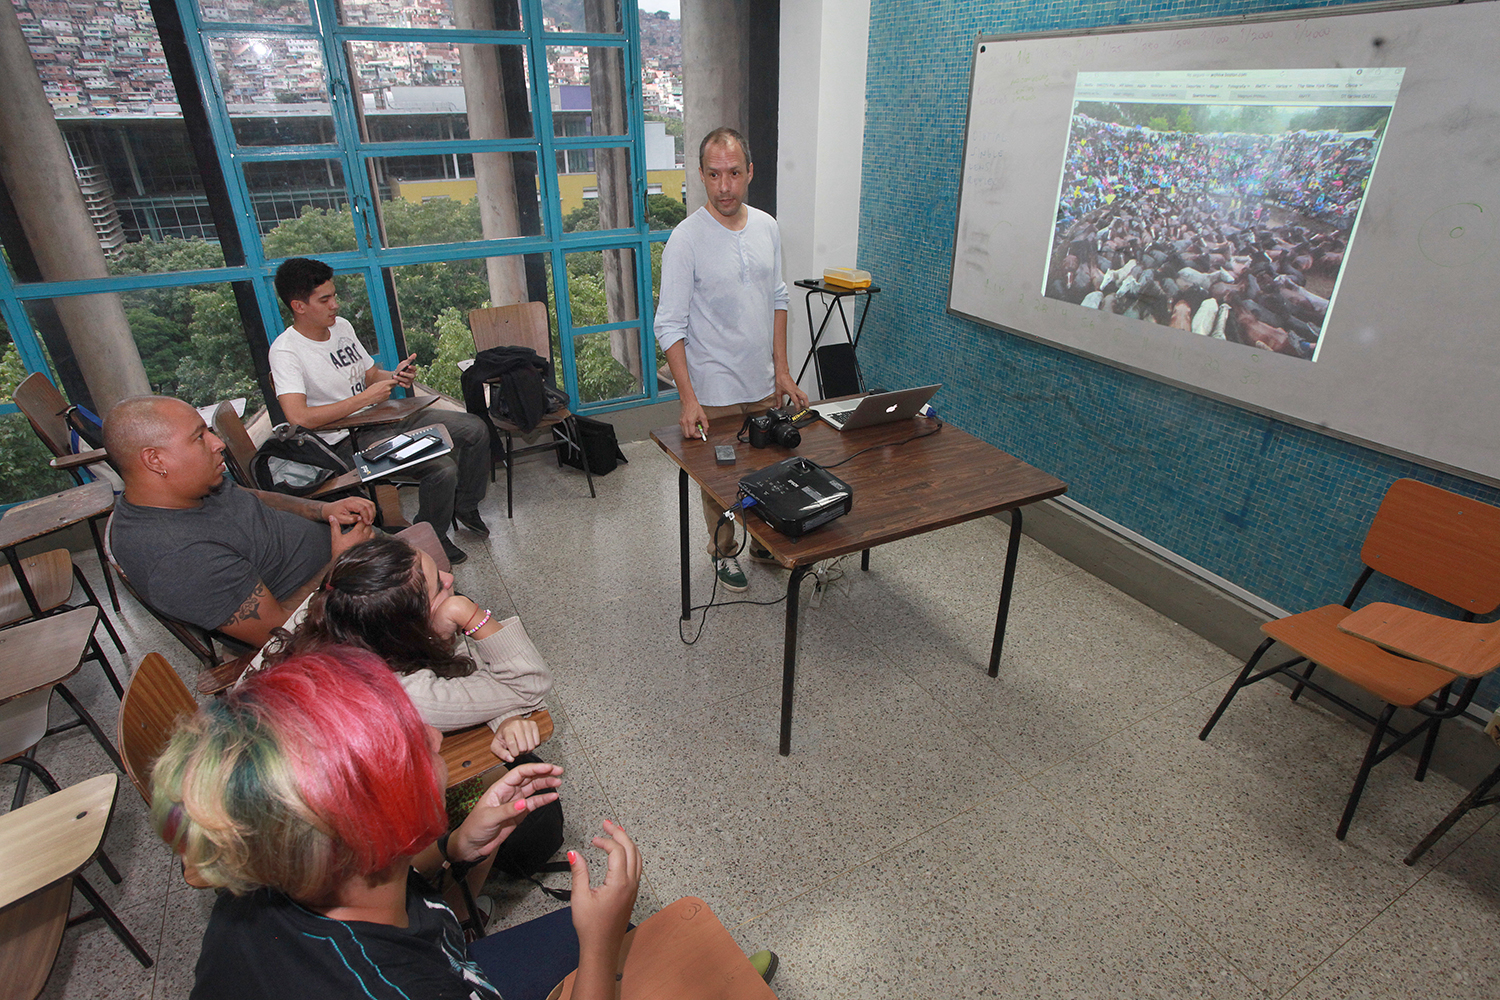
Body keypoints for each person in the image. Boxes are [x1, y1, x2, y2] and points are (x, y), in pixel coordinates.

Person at [149, 647, 640, 1000]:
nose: (430, 732)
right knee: (629, 944)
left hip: (448, 962)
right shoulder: (394, 988)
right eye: (408, 740)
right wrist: (599, 945)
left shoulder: (270, 880)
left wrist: (457, 845)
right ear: (379, 820)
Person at [654, 126, 810, 593]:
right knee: (720, 481)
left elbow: (778, 298)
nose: (725, 187)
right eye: (715, 175)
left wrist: (782, 369)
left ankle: (763, 542)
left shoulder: (768, 226)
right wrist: (687, 398)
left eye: (734, 174)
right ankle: (723, 551)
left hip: (761, 380)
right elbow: (669, 325)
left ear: (750, 173)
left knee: (768, 470)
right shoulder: (686, 239)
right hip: (712, 388)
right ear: (701, 175)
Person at [270, 256, 491, 566]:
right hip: (345, 440)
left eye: (334, 295)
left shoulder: (341, 327)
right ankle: (433, 534)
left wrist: (394, 377)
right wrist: (363, 400)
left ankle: (465, 505)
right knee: (441, 468)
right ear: (299, 306)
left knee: (474, 428)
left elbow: (370, 374)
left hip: (384, 415)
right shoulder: (286, 351)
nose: (335, 305)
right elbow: (298, 417)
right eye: (325, 299)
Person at [104, 394, 375, 647]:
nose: (217, 443)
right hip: (333, 614)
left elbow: (254, 496)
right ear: (155, 459)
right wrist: (341, 564)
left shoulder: (188, 488)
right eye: (199, 437)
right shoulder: (177, 559)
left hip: (347, 561)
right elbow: (281, 636)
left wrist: (322, 510)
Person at [261, 534, 552, 762]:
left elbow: (458, 666)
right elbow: (527, 683)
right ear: (406, 630)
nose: (449, 577)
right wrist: (467, 613)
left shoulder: (331, 605)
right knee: (540, 807)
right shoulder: (407, 695)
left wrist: (502, 713)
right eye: (438, 586)